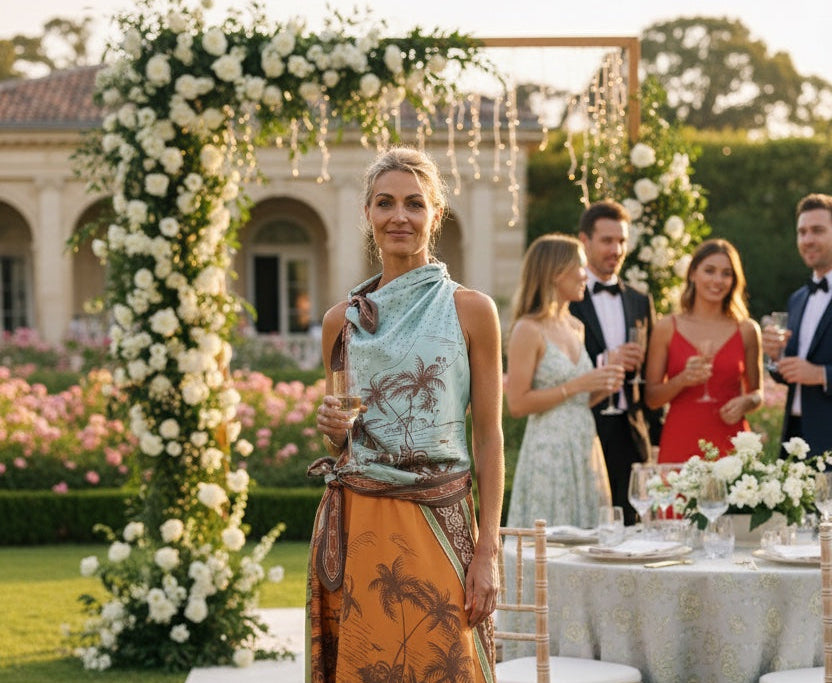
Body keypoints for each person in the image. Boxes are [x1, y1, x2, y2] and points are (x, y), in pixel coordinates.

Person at [307, 147, 504, 682]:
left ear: (435, 215)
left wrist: (487, 550)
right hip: (359, 523)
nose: (400, 216)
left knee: (446, 665)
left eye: (415, 204)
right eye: (385, 203)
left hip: (440, 520)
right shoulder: (340, 321)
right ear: (368, 214)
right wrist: (332, 431)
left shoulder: (472, 310)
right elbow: (341, 443)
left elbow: (489, 437)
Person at [505, 233, 622, 529]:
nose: (585, 275)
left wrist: (603, 386)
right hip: (549, 450)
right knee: (552, 539)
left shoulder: (576, 327)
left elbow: (578, 400)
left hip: (584, 444)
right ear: (557, 272)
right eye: (580, 266)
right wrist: (579, 384)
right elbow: (517, 404)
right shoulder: (528, 329)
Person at [570, 199, 660, 525]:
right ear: (584, 241)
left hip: (632, 436)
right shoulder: (568, 300)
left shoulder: (640, 301)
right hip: (585, 430)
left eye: (622, 240)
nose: (617, 249)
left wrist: (655, 440)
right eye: (607, 240)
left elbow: (651, 376)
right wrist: (605, 361)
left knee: (634, 530)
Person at [645, 238, 762, 462]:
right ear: (692, 274)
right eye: (709, 271)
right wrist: (682, 380)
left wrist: (746, 402)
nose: (717, 280)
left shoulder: (747, 330)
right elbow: (651, 399)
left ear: (734, 280)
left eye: (726, 274)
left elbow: (757, 393)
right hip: (680, 441)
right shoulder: (666, 328)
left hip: (731, 444)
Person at [762, 193, 832, 457]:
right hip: (795, 439)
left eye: (817, 231)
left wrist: (821, 375)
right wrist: (775, 356)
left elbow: (812, 372)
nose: (807, 239)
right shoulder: (797, 298)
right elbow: (788, 371)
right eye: (802, 232)